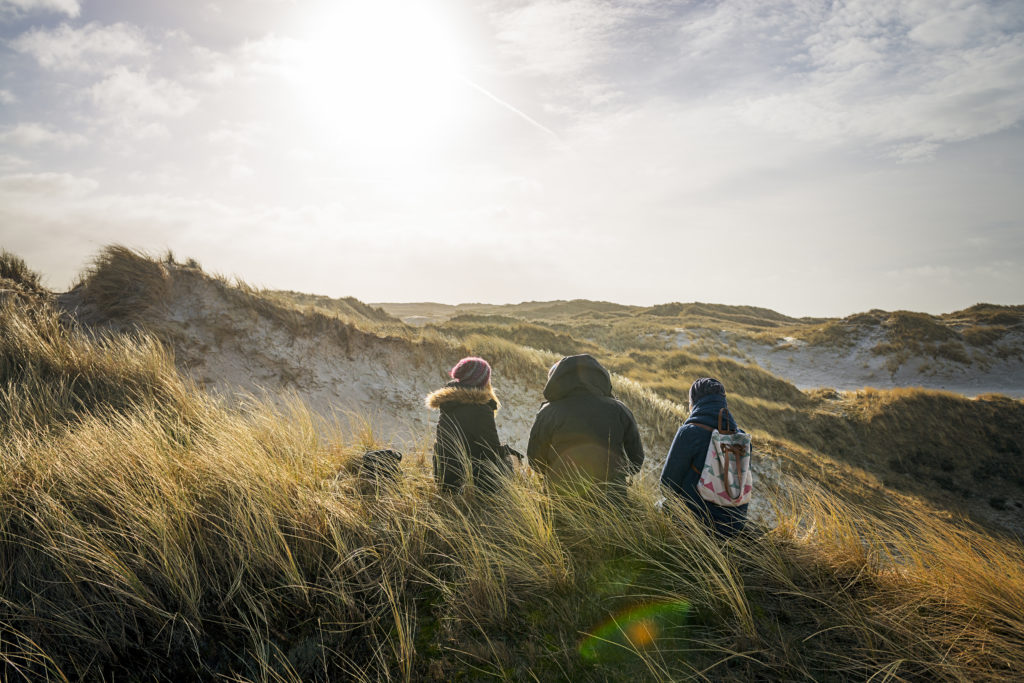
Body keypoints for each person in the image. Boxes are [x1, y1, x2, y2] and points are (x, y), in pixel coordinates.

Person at [526, 354, 644, 498]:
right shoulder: (620, 410)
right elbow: (636, 462)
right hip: (612, 502)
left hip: (561, 502)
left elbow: (535, 461)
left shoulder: (548, 412)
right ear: (601, 378)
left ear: (557, 380)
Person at [660, 377, 748, 536]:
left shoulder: (690, 432)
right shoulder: (740, 437)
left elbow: (667, 485)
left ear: (695, 403)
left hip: (698, 524)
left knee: (659, 506)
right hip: (734, 525)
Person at [426, 356, 512, 493]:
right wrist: (508, 453)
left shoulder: (449, 402)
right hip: (465, 482)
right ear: (482, 380)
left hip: (443, 477)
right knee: (506, 461)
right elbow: (491, 451)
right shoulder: (480, 408)